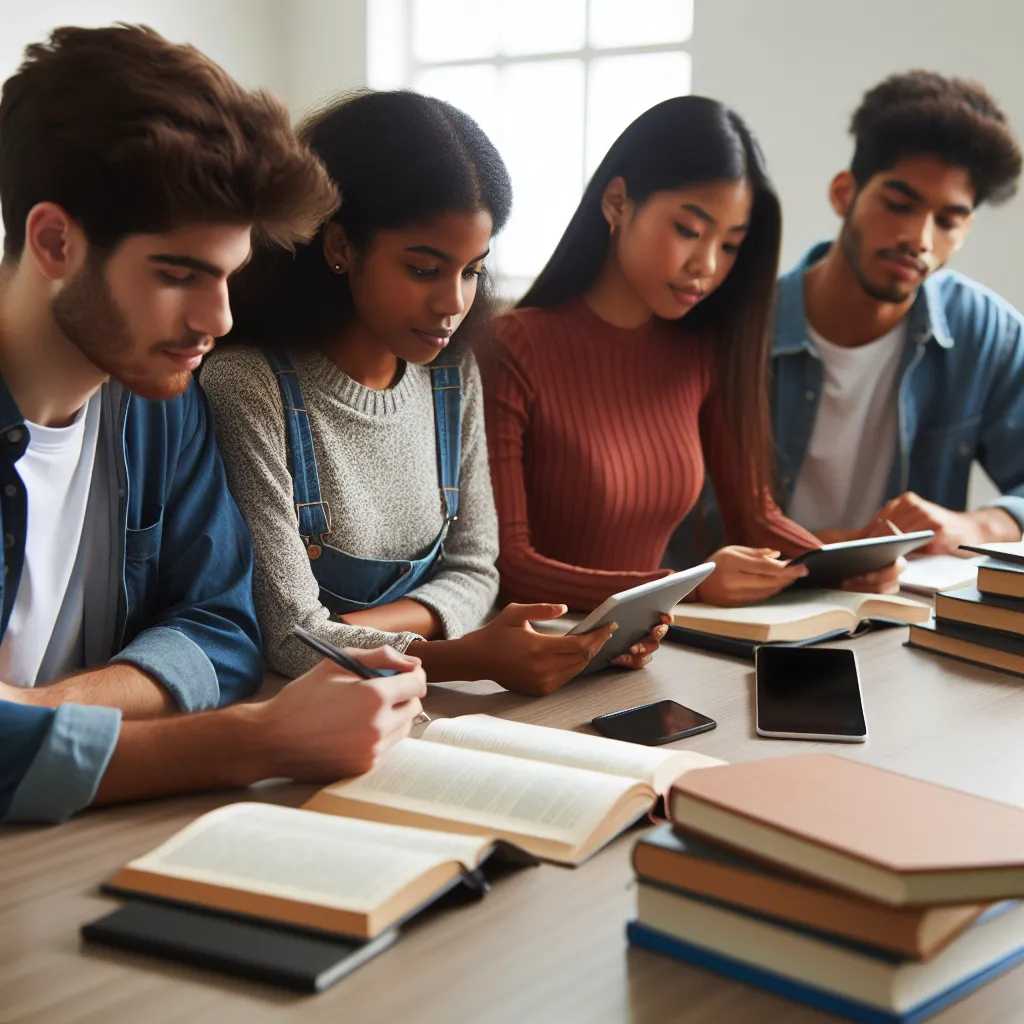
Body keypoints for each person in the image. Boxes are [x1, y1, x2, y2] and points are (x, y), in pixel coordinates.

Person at [0, 26, 424, 825]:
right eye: (177, 274)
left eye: (228, 274)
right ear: (55, 240)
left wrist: (41, 711)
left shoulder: (158, 401)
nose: (218, 319)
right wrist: (258, 741)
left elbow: (222, 627)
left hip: (85, 842)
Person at [202, 90, 663, 699]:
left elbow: (477, 571)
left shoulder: (452, 375)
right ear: (340, 246)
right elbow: (288, 638)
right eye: (424, 269)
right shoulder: (248, 387)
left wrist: (357, 629)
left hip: (425, 708)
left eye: (472, 269)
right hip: (305, 715)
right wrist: (460, 656)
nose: (453, 303)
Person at [486, 96, 902, 614]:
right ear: (617, 202)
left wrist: (843, 566)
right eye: (688, 230)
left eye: (729, 245)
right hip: (531, 665)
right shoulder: (512, 348)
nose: (705, 265)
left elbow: (756, 518)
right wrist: (688, 585)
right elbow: (509, 567)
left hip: (650, 652)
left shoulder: (697, 351)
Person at [772, 72, 1024, 554]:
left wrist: (976, 527)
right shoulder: (742, 328)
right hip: (742, 617)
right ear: (845, 194)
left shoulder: (986, 332)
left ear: (966, 228)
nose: (920, 239)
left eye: (947, 221)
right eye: (898, 204)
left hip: (902, 620)